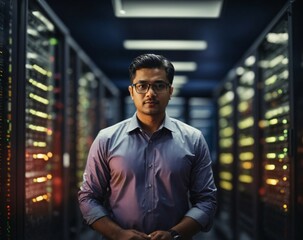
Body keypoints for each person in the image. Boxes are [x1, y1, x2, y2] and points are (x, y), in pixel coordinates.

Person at [78, 53, 217, 240]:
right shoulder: (107, 139)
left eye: (159, 85)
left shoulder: (193, 139)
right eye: (142, 86)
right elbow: (88, 198)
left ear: (170, 91)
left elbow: (206, 201)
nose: (150, 93)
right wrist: (118, 234)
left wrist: (175, 234)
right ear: (131, 91)